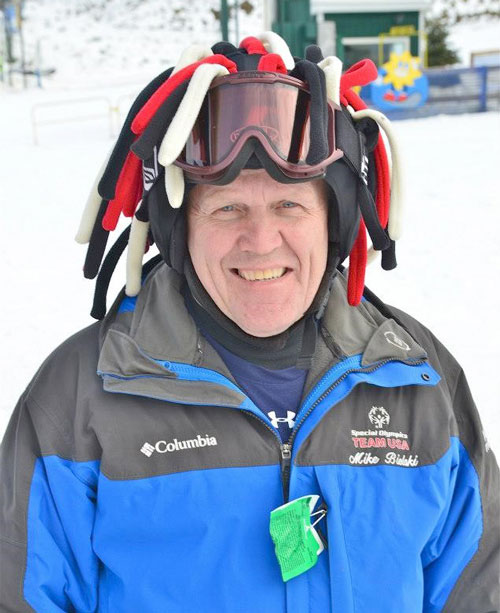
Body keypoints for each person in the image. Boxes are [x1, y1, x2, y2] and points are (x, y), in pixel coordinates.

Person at [0, 33, 498, 613]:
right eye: (227, 207)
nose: (260, 241)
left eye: (290, 204)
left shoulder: (417, 379)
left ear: (333, 222)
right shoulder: (76, 399)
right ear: (180, 228)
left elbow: (476, 589)